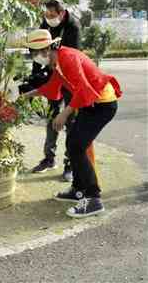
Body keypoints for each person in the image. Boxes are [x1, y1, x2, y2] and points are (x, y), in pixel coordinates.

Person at [22, 29, 121, 218]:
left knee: (76, 147)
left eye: (34, 53)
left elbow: (83, 88)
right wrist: (26, 95)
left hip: (102, 103)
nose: (34, 57)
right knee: (73, 145)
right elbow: (52, 87)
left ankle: (93, 199)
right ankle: (78, 190)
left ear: (45, 50)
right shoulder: (57, 61)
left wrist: (64, 114)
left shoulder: (67, 58)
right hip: (90, 102)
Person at [31, 0, 81, 181]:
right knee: (52, 116)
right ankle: (49, 159)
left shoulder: (73, 25)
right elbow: (37, 48)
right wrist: (35, 79)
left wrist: (54, 59)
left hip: (69, 75)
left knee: (70, 121)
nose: (48, 18)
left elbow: (72, 55)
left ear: (62, 13)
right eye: (46, 14)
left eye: (52, 15)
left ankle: (70, 164)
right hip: (53, 73)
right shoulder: (45, 23)